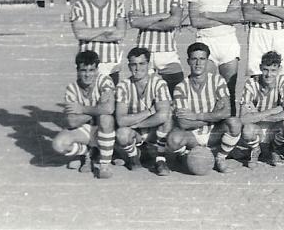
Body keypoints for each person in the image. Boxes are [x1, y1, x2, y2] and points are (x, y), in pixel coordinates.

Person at [184, 0, 242, 115]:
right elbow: (195, 20)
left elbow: (236, 17)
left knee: (229, 91)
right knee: (205, 90)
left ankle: (230, 135)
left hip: (228, 42)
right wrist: (224, 18)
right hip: (205, 42)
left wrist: (208, 14)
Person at [167, 43, 242, 173]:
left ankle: (220, 158)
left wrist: (196, 116)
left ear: (207, 61)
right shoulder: (181, 87)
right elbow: (183, 123)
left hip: (213, 133)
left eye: (202, 59)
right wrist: (214, 115)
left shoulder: (218, 81)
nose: (198, 63)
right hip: (192, 137)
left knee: (234, 123)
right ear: (188, 61)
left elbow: (227, 112)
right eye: (194, 59)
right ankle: (189, 156)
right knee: (173, 139)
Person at [51, 50, 117, 179]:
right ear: (77, 70)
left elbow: (109, 109)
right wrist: (98, 108)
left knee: (105, 119)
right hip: (86, 130)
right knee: (58, 144)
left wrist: (81, 109)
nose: (87, 75)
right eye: (83, 70)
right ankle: (86, 152)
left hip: (106, 130)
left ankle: (104, 164)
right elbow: (72, 122)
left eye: (91, 70)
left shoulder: (104, 81)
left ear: (97, 70)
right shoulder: (72, 88)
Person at [128, 0, 184, 95]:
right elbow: (134, 21)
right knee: (146, 95)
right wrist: (161, 16)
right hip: (144, 53)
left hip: (167, 52)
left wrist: (145, 22)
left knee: (176, 94)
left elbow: (175, 21)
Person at [114, 47, 173, 176]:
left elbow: (162, 115)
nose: (137, 68)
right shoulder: (123, 86)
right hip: (136, 134)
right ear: (129, 66)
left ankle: (160, 159)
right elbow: (121, 120)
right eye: (134, 64)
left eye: (142, 63)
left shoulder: (159, 83)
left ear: (149, 64)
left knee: (167, 117)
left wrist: (136, 124)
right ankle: (134, 158)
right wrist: (148, 112)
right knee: (122, 133)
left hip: (152, 132)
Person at [70, 0, 126, 84]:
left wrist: (90, 33)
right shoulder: (79, 6)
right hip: (87, 67)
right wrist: (107, 29)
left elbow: (119, 34)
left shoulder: (118, 6)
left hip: (111, 66)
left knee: (110, 102)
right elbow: (80, 34)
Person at [239, 51, 284, 168]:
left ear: (279, 69)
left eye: (273, 70)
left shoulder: (282, 81)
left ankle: (274, 148)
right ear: (260, 67)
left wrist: (257, 116)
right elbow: (243, 118)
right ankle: (256, 149)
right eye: (265, 69)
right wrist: (272, 111)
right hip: (257, 129)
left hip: (272, 128)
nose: (269, 74)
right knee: (247, 130)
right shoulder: (251, 83)